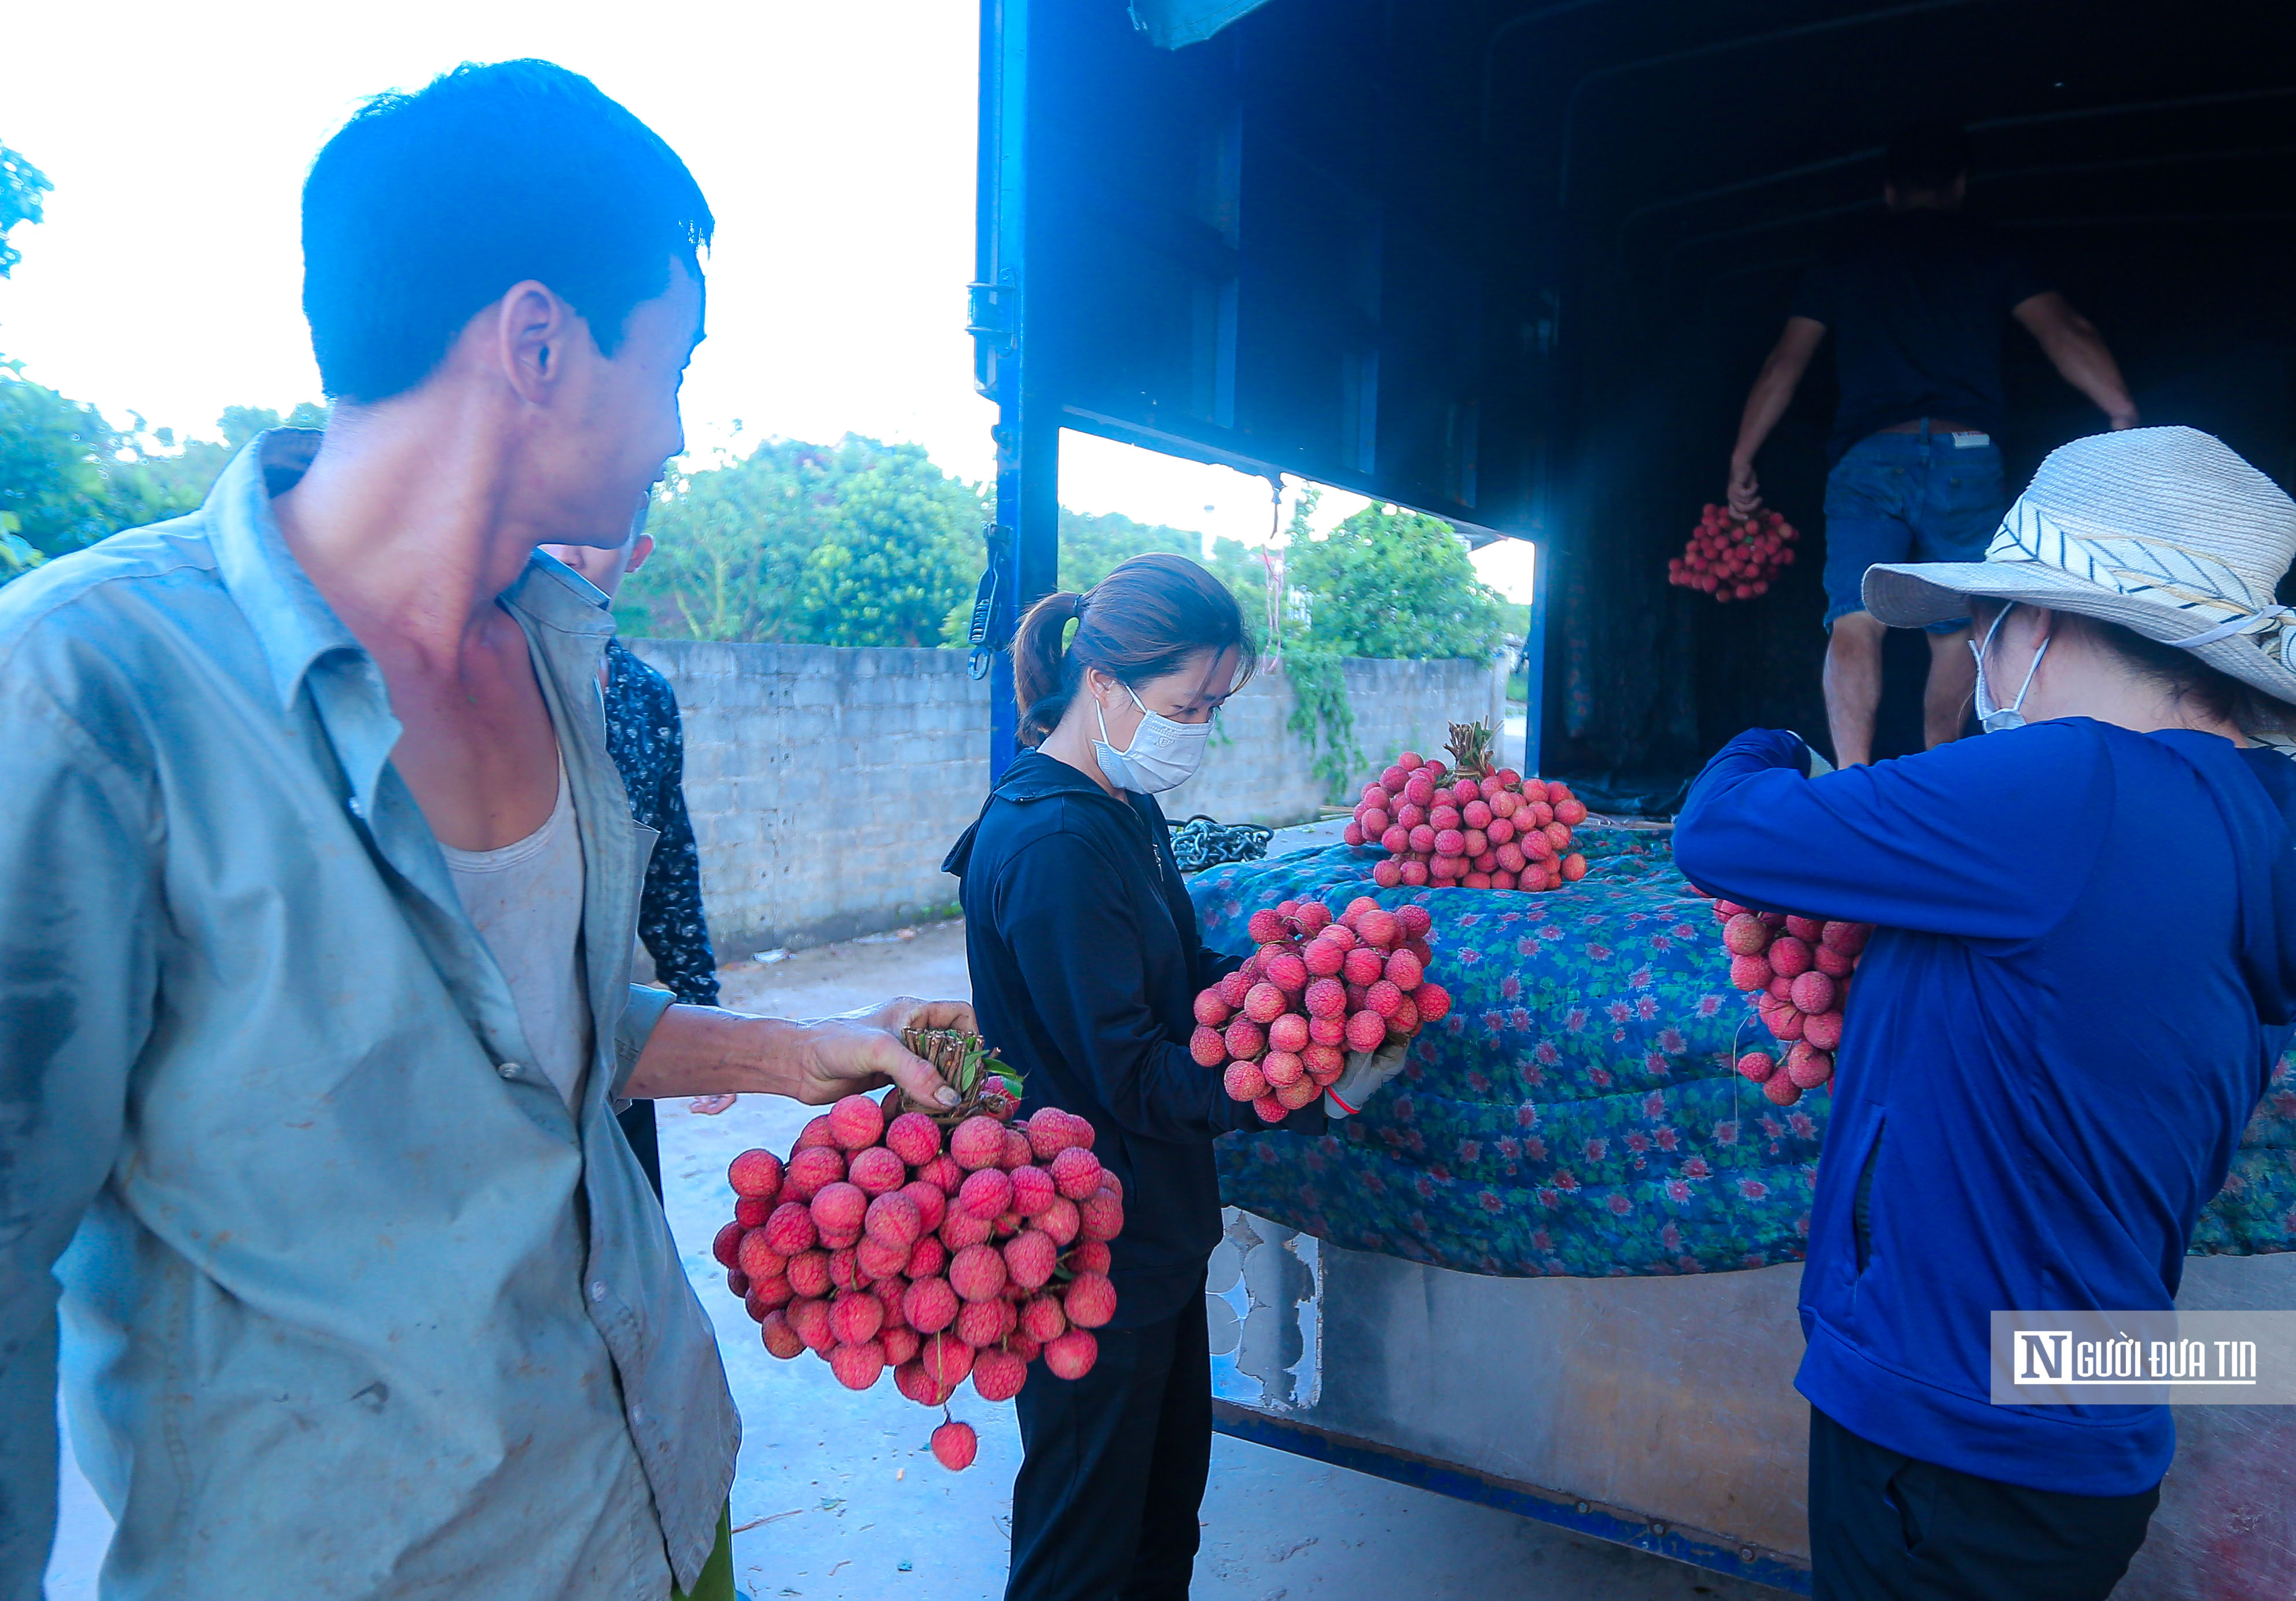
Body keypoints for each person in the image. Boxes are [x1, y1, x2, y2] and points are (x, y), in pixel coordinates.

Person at [0, 61, 972, 1600]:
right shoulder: (86, 688)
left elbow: (524, 1023)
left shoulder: (568, 665)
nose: (677, 427)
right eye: (674, 360)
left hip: (654, 1479)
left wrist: (795, 1047)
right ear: (535, 342)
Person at [1675, 427, 2296, 1598]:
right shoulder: (2260, 827)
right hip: (2072, 1423)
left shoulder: (2070, 788)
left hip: (1945, 1442)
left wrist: (1780, 747)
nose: (1976, 652)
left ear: (2041, 623)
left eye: (1980, 625)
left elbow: (1720, 834)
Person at [942, 555, 1408, 1601]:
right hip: (1080, 1247)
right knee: (1084, 1545)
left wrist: (1289, 989)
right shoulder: (1054, 840)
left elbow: (1174, 986)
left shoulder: (1115, 803)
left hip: (1146, 1228)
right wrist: (1301, 1086)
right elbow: (1138, 1074)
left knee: (1158, 1521)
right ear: (1102, 681)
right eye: (1186, 702)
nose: (1197, 726)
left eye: (1212, 705)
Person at [1725, 121, 2141, 769]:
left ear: (1889, 190)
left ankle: (1853, 784)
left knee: (1854, 621)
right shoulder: (1991, 249)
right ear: (1961, 184)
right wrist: (2121, 410)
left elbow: (1786, 362)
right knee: (1957, 634)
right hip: (1965, 456)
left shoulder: (1847, 255)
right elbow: (2064, 328)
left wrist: (1742, 454)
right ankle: (1934, 774)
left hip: (1869, 456)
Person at [542, 506, 735, 1199]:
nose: (566, 549)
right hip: (504, 1046)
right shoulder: (481, 686)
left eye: (594, 531)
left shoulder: (645, 696)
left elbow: (668, 870)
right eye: (545, 521)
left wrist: (704, 1017)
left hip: (612, 1027)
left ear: (637, 552)